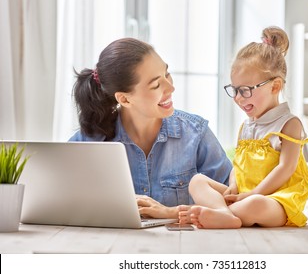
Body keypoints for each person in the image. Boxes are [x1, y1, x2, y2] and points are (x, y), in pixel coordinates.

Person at [69, 38, 232, 220]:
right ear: (124, 99)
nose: (171, 87)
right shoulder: (89, 143)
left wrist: (171, 212)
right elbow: (63, 202)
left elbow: (232, 201)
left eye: (167, 74)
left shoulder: (196, 134)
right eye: (156, 85)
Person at [178, 26, 308, 229]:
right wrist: (233, 186)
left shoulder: (289, 124)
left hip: (277, 201)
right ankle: (225, 214)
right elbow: (238, 166)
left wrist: (254, 193)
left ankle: (224, 214)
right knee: (197, 181)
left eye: (245, 90)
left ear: (274, 87)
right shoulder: (246, 126)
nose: (238, 98)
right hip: (245, 194)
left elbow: (286, 168)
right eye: (235, 90)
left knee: (255, 204)